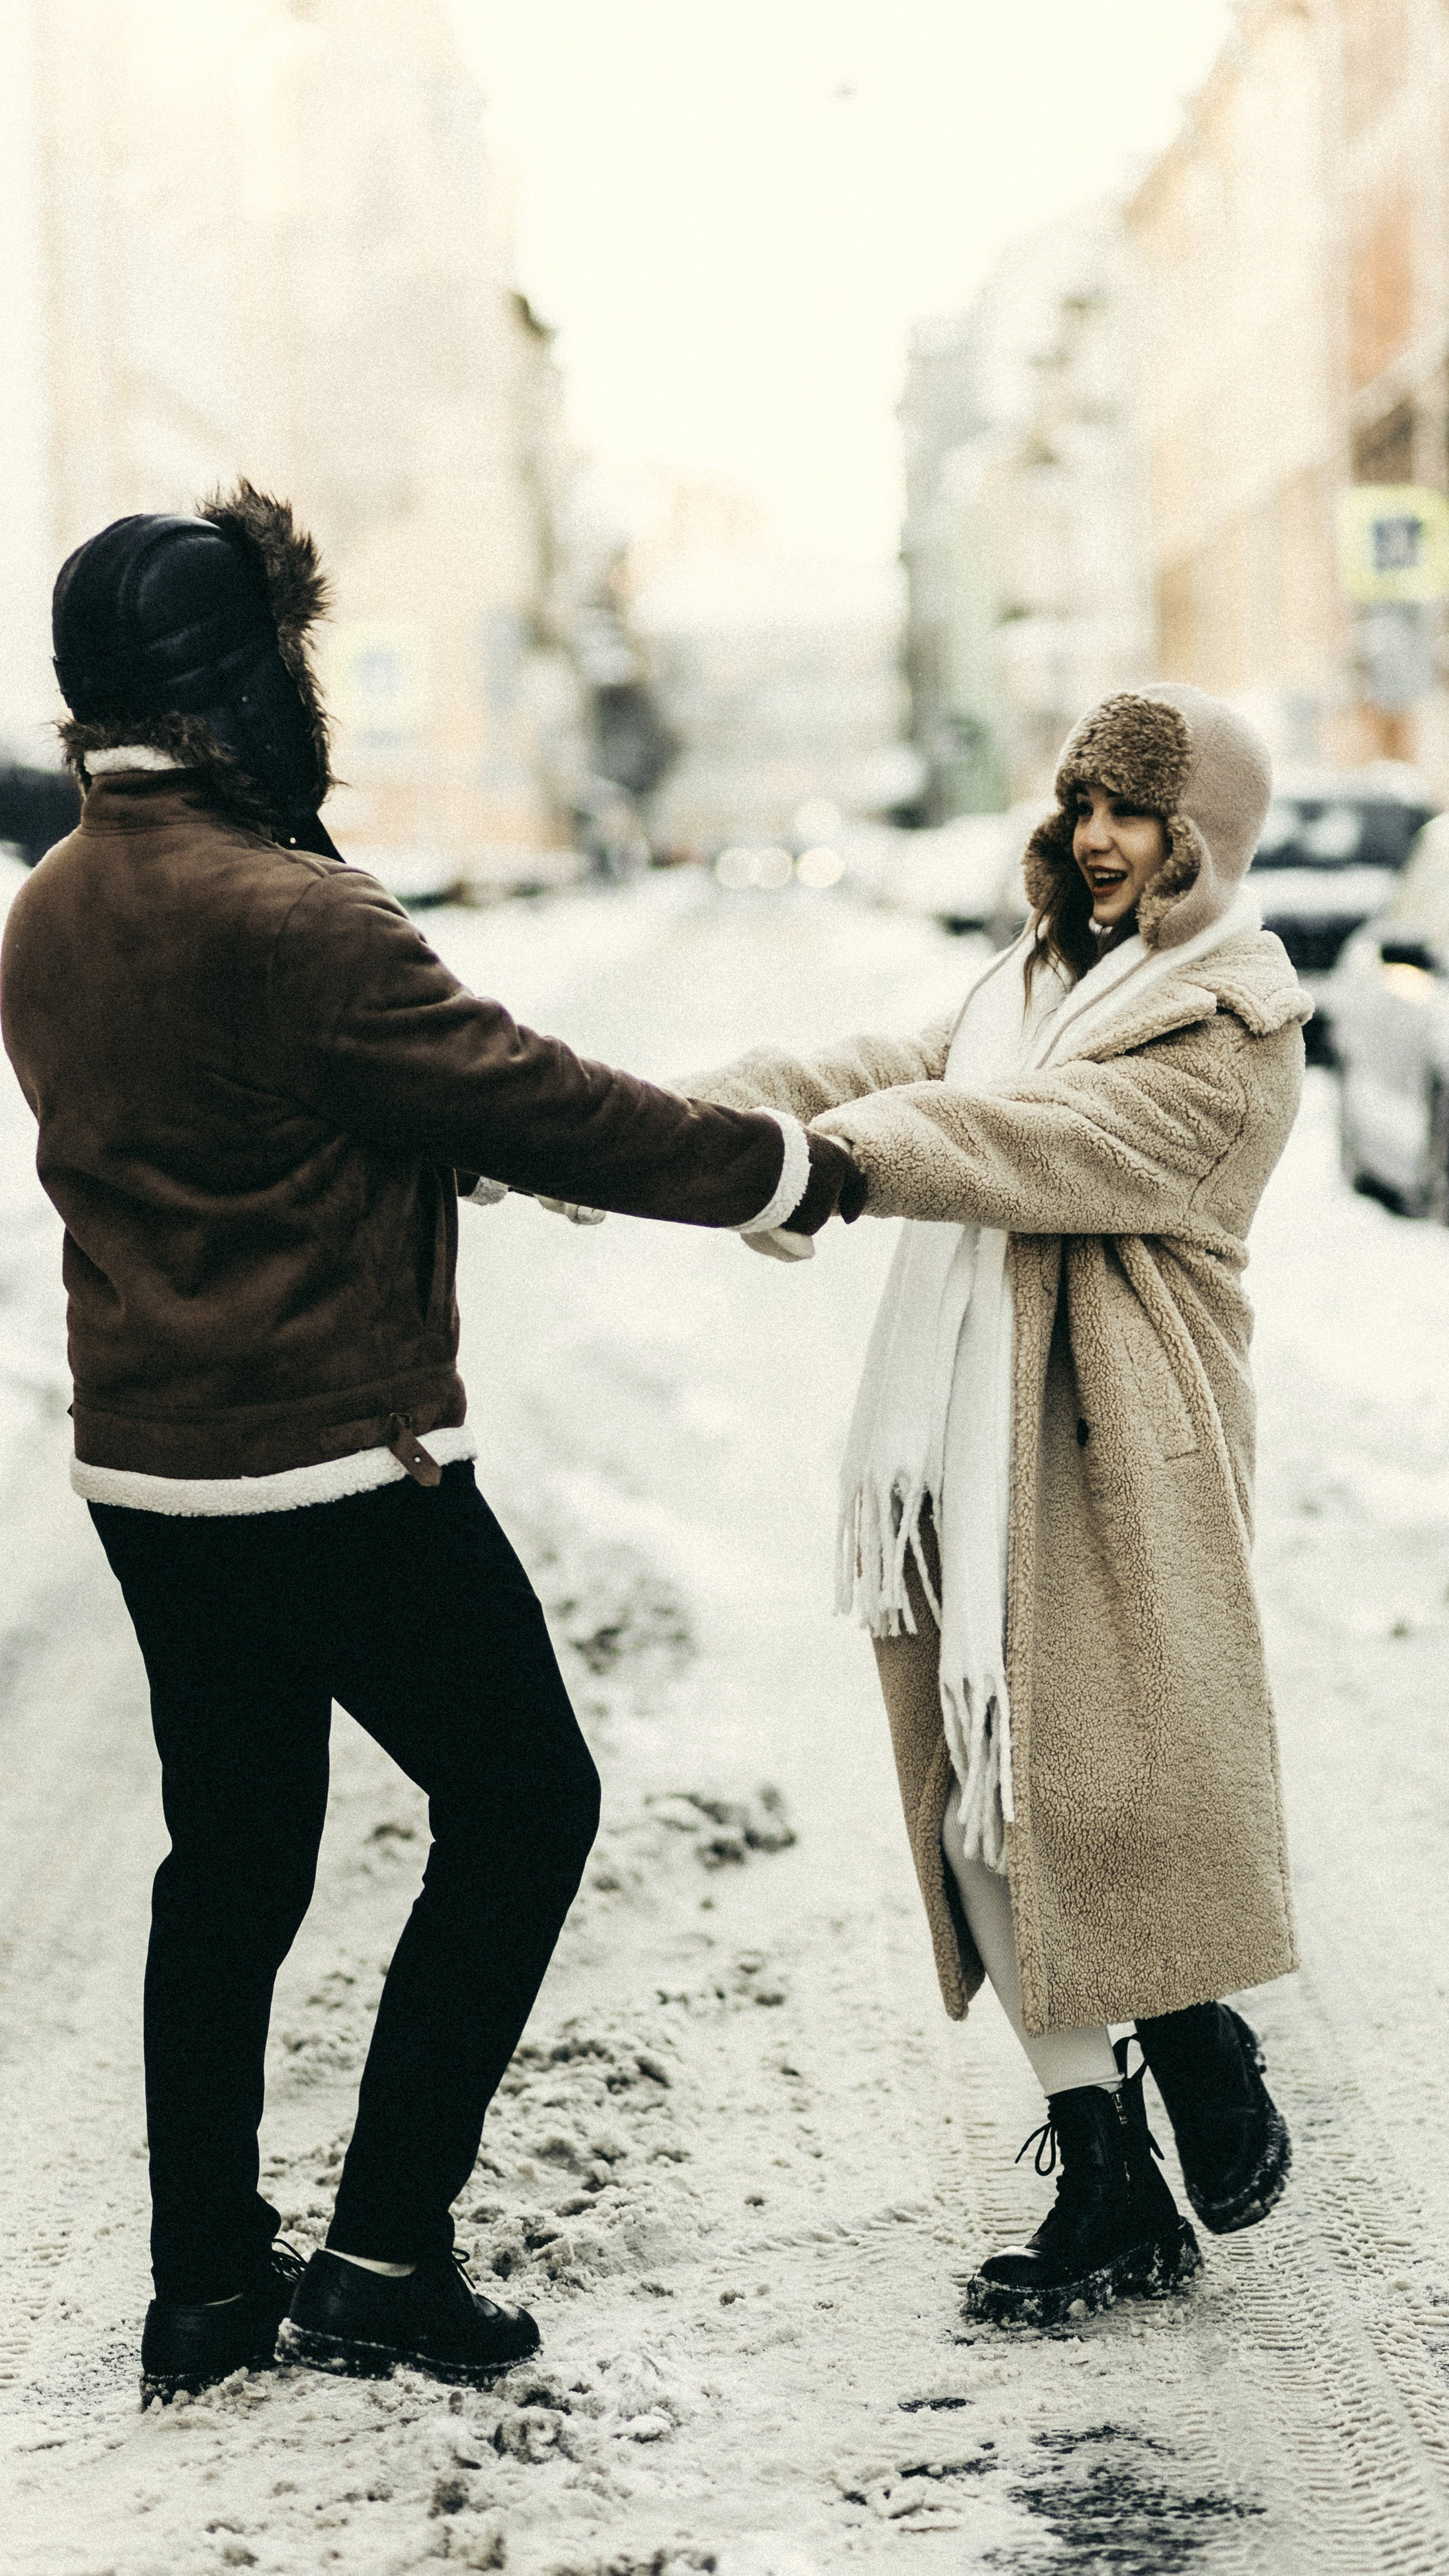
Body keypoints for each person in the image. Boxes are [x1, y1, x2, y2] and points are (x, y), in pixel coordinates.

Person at [0, 483, 859, 2403]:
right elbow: (544, 1099)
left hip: (150, 1472)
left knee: (230, 1861)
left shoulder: (49, 906)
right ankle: (382, 2255)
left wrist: (398, 1147)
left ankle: (204, 2286)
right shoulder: (301, 915)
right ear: (248, 682)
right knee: (527, 1804)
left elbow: (229, 1131)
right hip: (335, 1469)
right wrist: (788, 1168)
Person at [687, 684, 1306, 2325]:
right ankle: (1106, 2168)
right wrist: (672, 1122)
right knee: (975, 1805)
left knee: (1096, 1800)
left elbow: (1019, 1134)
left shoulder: (1229, 1033)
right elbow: (893, 1064)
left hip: (1112, 1460)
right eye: (1081, 803)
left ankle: (1186, 2025)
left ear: (1201, 839)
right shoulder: (1028, 981)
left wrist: (827, 1164)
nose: (1095, 838)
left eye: (1134, 813)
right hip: (962, 1444)